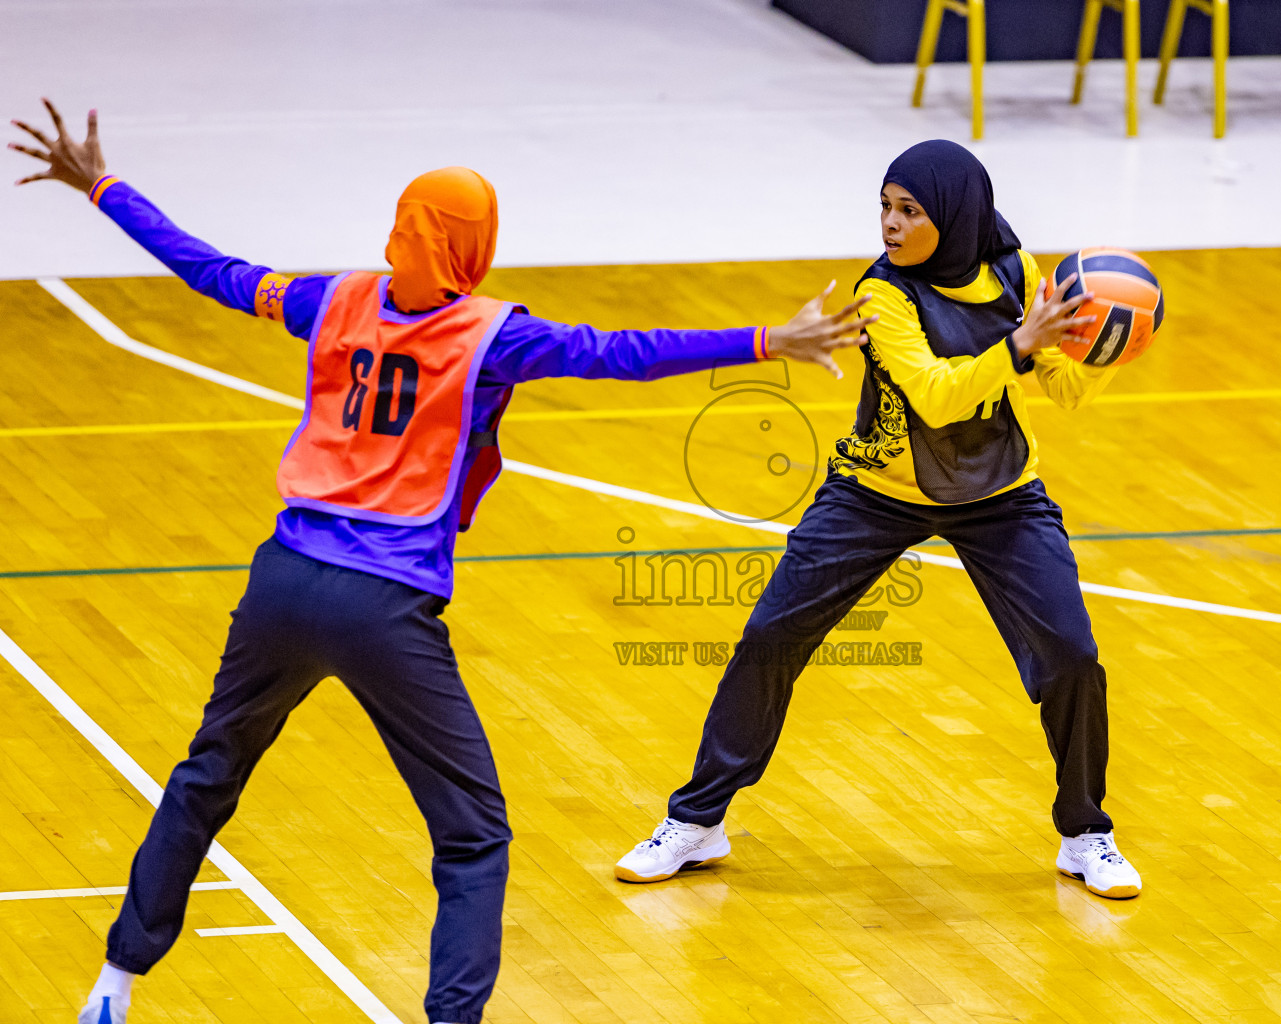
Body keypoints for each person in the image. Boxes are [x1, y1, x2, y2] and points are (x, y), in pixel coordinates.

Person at [9, 100, 874, 1024]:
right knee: (473, 837)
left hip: (283, 578)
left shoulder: (329, 298)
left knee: (206, 774)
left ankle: (114, 984)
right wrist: (764, 341)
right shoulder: (495, 336)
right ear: (476, 246)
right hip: (384, 605)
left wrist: (103, 187)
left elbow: (212, 271)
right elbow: (621, 353)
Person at [615, 139, 1144, 901]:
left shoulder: (1016, 272)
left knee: (1071, 653)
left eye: (910, 211)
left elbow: (1062, 392)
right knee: (771, 635)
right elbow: (934, 394)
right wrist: (1019, 347)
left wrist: (1099, 350)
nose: (891, 226)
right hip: (878, 488)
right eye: (886, 209)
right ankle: (698, 821)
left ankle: (1085, 831)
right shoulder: (883, 294)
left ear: (957, 217)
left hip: (999, 492)